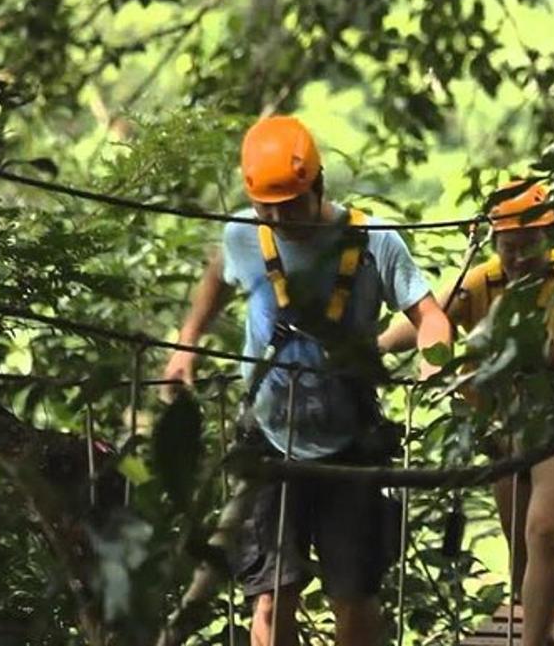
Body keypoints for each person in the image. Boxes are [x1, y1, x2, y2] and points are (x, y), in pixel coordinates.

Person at [161, 116, 452, 646]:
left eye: (289, 204)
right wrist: (187, 345)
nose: (276, 217)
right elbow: (216, 275)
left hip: (350, 443)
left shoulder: (373, 241)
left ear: (317, 185)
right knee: (270, 595)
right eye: (264, 206)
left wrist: (434, 358)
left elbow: (430, 315)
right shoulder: (245, 235)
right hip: (268, 441)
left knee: (355, 594)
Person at [378, 180, 554, 646]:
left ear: (549, 237)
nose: (521, 257)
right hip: (503, 423)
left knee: (544, 529)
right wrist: (376, 350)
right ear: (495, 244)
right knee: (521, 554)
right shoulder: (481, 281)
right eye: (511, 247)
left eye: (530, 245)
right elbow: (429, 317)